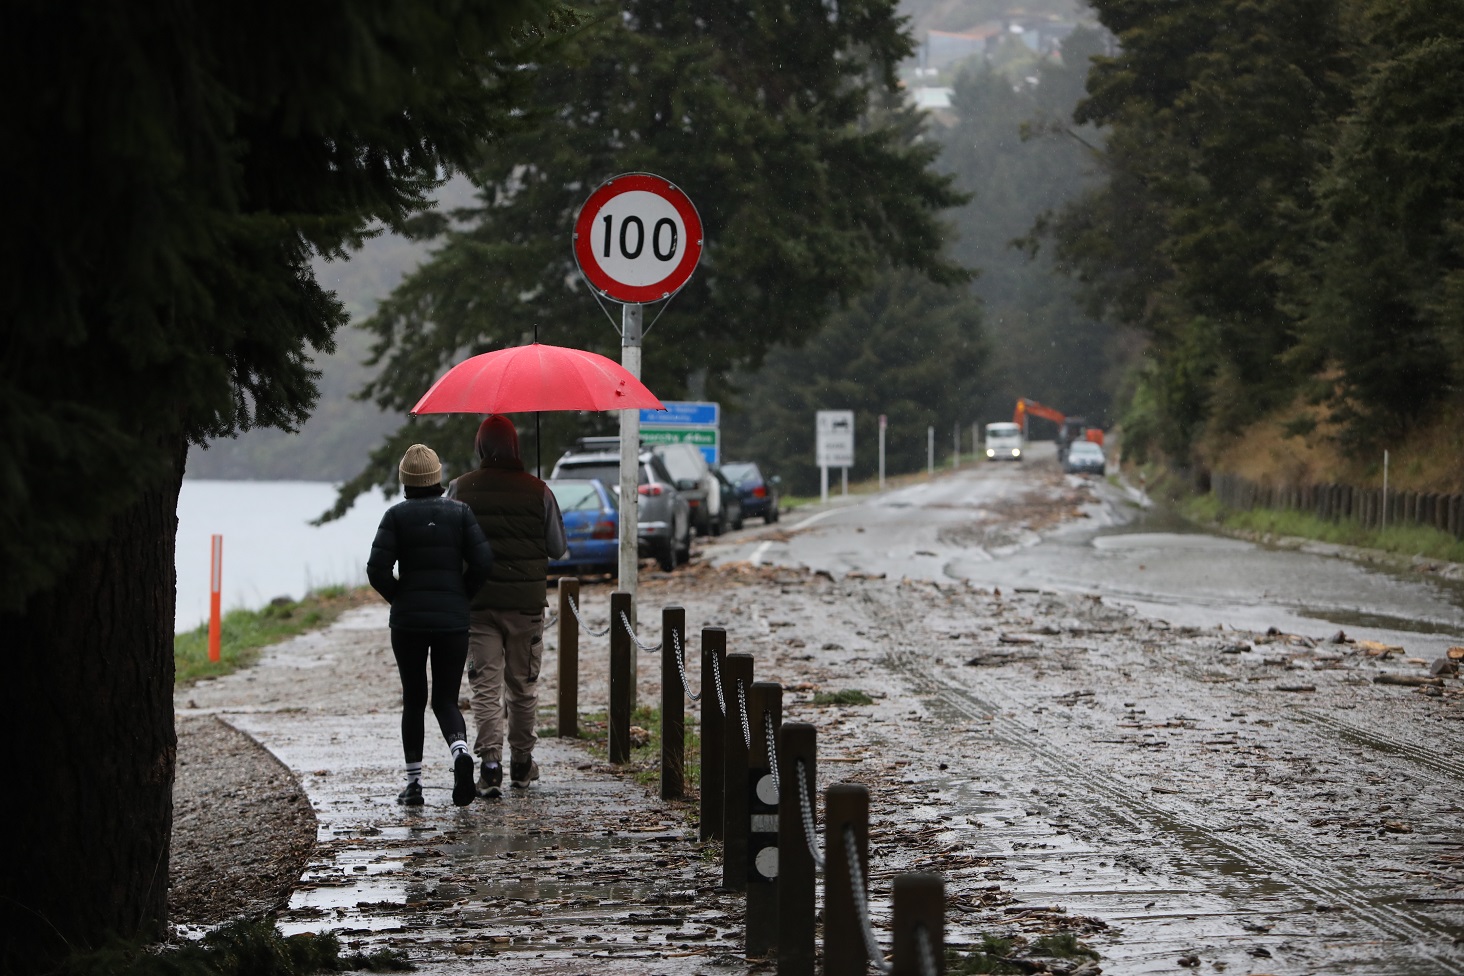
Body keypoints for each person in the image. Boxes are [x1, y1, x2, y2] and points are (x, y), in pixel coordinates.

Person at [368, 443, 495, 807]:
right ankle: (459, 753)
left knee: (414, 699)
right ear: (437, 477)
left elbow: (376, 570)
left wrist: (402, 598)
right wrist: (461, 596)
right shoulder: (460, 513)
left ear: (405, 480)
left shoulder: (395, 516)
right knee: (445, 698)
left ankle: (414, 785)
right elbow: (484, 562)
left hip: (408, 623)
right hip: (452, 621)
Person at [448, 415, 567, 797]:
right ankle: (521, 763)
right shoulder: (539, 491)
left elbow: (450, 545)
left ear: (481, 447)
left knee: (485, 687)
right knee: (522, 686)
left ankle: (491, 766)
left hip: (478, 604)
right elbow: (557, 547)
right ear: (515, 446)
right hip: (526, 606)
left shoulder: (460, 488)